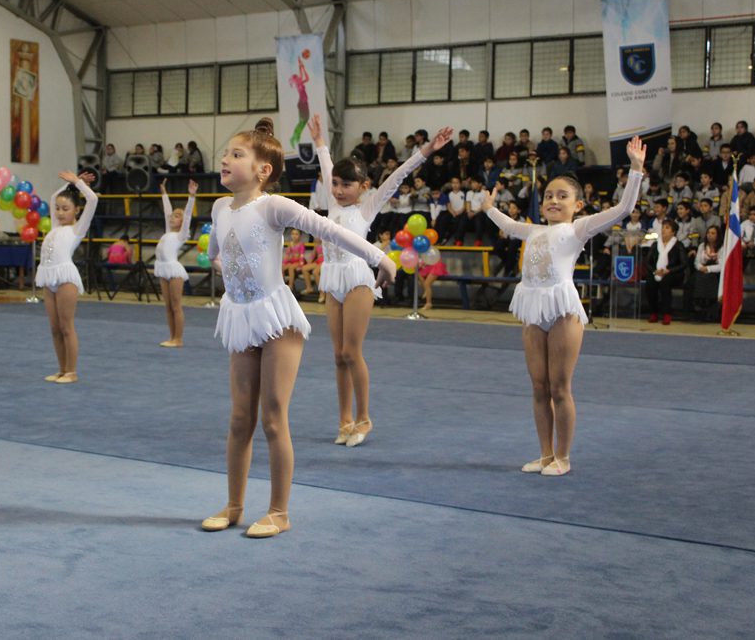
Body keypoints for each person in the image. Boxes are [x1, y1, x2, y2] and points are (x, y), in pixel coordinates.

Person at [200, 117, 396, 538]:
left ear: (262, 170)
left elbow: (328, 229)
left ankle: (278, 511)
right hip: (240, 315)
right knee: (239, 418)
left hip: (276, 320)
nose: (225, 159)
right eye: (226, 153)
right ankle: (234, 505)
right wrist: (229, 268)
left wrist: (379, 258)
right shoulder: (218, 208)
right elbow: (217, 252)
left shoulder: (274, 206)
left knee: (273, 417)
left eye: (237, 154)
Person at [480, 135, 645, 477]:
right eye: (549, 196)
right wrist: (489, 207)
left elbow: (623, 209)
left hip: (562, 310)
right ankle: (545, 454)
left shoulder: (578, 229)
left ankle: (563, 457)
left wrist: (636, 170)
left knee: (559, 387)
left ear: (578, 205)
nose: (553, 200)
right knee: (539, 387)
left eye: (562, 196)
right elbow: (507, 224)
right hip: (533, 310)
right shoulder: (533, 231)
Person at [311, 115, 451, 446]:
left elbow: (398, 174)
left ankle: (364, 418)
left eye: (347, 185)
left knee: (351, 351)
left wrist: (427, 150)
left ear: (363, 187)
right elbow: (326, 162)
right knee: (338, 355)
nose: (339, 190)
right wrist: (319, 142)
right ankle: (344, 419)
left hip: (358, 279)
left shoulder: (368, 207)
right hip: (333, 278)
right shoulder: (332, 200)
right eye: (335, 184)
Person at [35, 170, 98, 383]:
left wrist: (78, 182)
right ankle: (61, 369)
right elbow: (54, 196)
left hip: (65, 278)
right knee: (55, 329)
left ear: (76, 210)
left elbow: (93, 199)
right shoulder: (55, 226)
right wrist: (69, 184)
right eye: (58, 209)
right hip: (48, 276)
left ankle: (72, 371)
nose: (60, 213)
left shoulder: (78, 229)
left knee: (66, 327)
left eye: (66, 209)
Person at [154, 179, 197, 347]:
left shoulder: (181, 235)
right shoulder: (167, 231)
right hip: (162, 269)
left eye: (177, 216)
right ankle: (172, 337)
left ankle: (178, 339)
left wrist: (191, 196)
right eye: (172, 216)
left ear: (182, 222)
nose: (172, 218)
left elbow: (188, 216)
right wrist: (164, 193)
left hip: (174, 270)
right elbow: (167, 211)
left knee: (176, 305)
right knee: (168, 306)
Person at [645, 219, 686, 325]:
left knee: (665, 283)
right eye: (663, 227)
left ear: (673, 232)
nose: (663, 230)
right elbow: (648, 262)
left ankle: (667, 314)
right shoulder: (655, 244)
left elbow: (683, 264)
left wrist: (669, 270)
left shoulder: (678, 245)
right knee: (650, 283)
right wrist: (654, 271)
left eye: (667, 228)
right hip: (656, 272)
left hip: (673, 273)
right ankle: (653, 312)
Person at [692, 225, 722, 320]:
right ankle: (698, 307)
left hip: (715, 271)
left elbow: (722, 265)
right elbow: (697, 262)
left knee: (709, 279)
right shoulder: (702, 246)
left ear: (718, 235)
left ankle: (710, 309)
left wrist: (708, 269)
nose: (710, 235)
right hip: (702, 270)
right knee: (694, 279)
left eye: (713, 233)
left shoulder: (722, 247)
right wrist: (701, 267)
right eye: (708, 233)